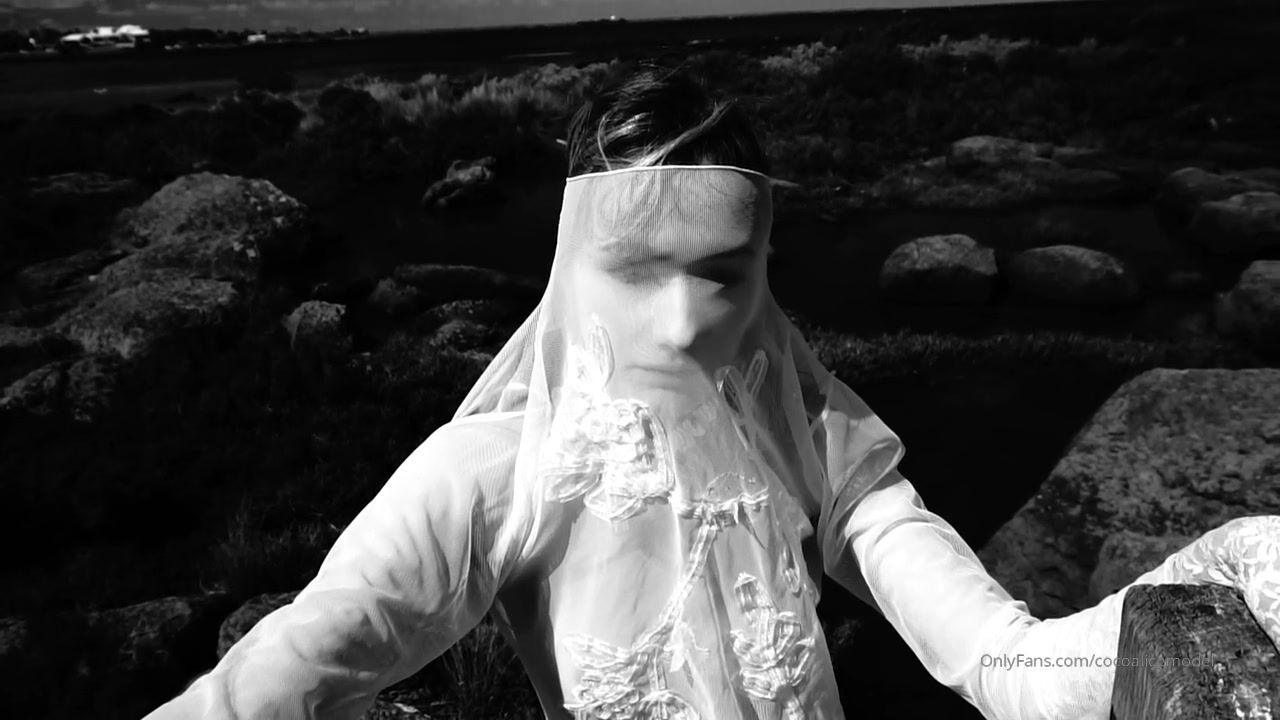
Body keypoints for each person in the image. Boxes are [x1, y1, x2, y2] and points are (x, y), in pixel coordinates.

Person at [142, 64, 1280, 720]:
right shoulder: (499, 470)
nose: (686, 320)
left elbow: (1001, 664)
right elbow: (296, 666)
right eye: (636, 270)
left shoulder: (813, 440)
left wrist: (1221, 576)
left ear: (764, 268)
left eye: (724, 273)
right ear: (571, 261)